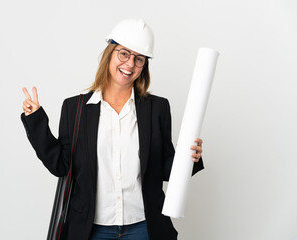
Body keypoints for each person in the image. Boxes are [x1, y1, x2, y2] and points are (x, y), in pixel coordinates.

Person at [21, 19, 204, 240]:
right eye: (124, 54)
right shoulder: (75, 108)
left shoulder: (157, 108)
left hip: (144, 227)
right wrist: (35, 120)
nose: (130, 64)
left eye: (139, 59)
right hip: (92, 229)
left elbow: (165, 169)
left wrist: (190, 158)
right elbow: (61, 165)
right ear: (110, 53)